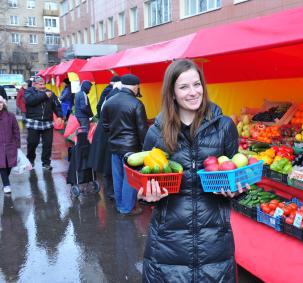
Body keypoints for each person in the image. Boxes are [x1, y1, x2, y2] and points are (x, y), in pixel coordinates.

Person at [137, 59, 246, 282]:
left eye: (197, 84)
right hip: (168, 244)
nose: (193, 92)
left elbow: (235, 172)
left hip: (214, 241)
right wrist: (147, 197)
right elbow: (145, 183)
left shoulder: (224, 127)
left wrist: (238, 190)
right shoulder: (156, 133)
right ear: (172, 93)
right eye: (184, 87)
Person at [102, 74, 148, 215]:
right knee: (130, 178)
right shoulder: (136, 103)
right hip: (131, 148)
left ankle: (120, 205)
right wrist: (145, 149)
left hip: (114, 146)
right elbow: (142, 130)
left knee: (118, 177)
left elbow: (105, 125)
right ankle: (127, 208)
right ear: (135, 86)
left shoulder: (110, 101)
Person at [88, 76, 122, 200]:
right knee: (108, 165)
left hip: (104, 133)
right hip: (107, 134)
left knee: (106, 164)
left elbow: (99, 108)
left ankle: (110, 192)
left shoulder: (109, 92)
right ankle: (110, 193)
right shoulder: (115, 96)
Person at [24, 76, 62, 170]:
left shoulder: (50, 93)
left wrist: (60, 116)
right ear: (34, 84)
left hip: (47, 122)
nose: (42, 86)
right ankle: (30, 160)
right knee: (32, 142)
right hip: (34, 121)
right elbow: (30, 101)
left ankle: (46, 162)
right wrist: (44, 95)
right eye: (40, 84)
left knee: (48, 144)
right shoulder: (29, 92)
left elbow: (57, 105)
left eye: (43, 84)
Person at [0, 96, 20, 194]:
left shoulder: (10, 116)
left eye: (0, 102)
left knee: (9, 165)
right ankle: (6, 184)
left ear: (3, 104)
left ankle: (5, 181)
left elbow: (16, 130)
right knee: (2, 165)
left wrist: (17, 144)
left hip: (10, 144)